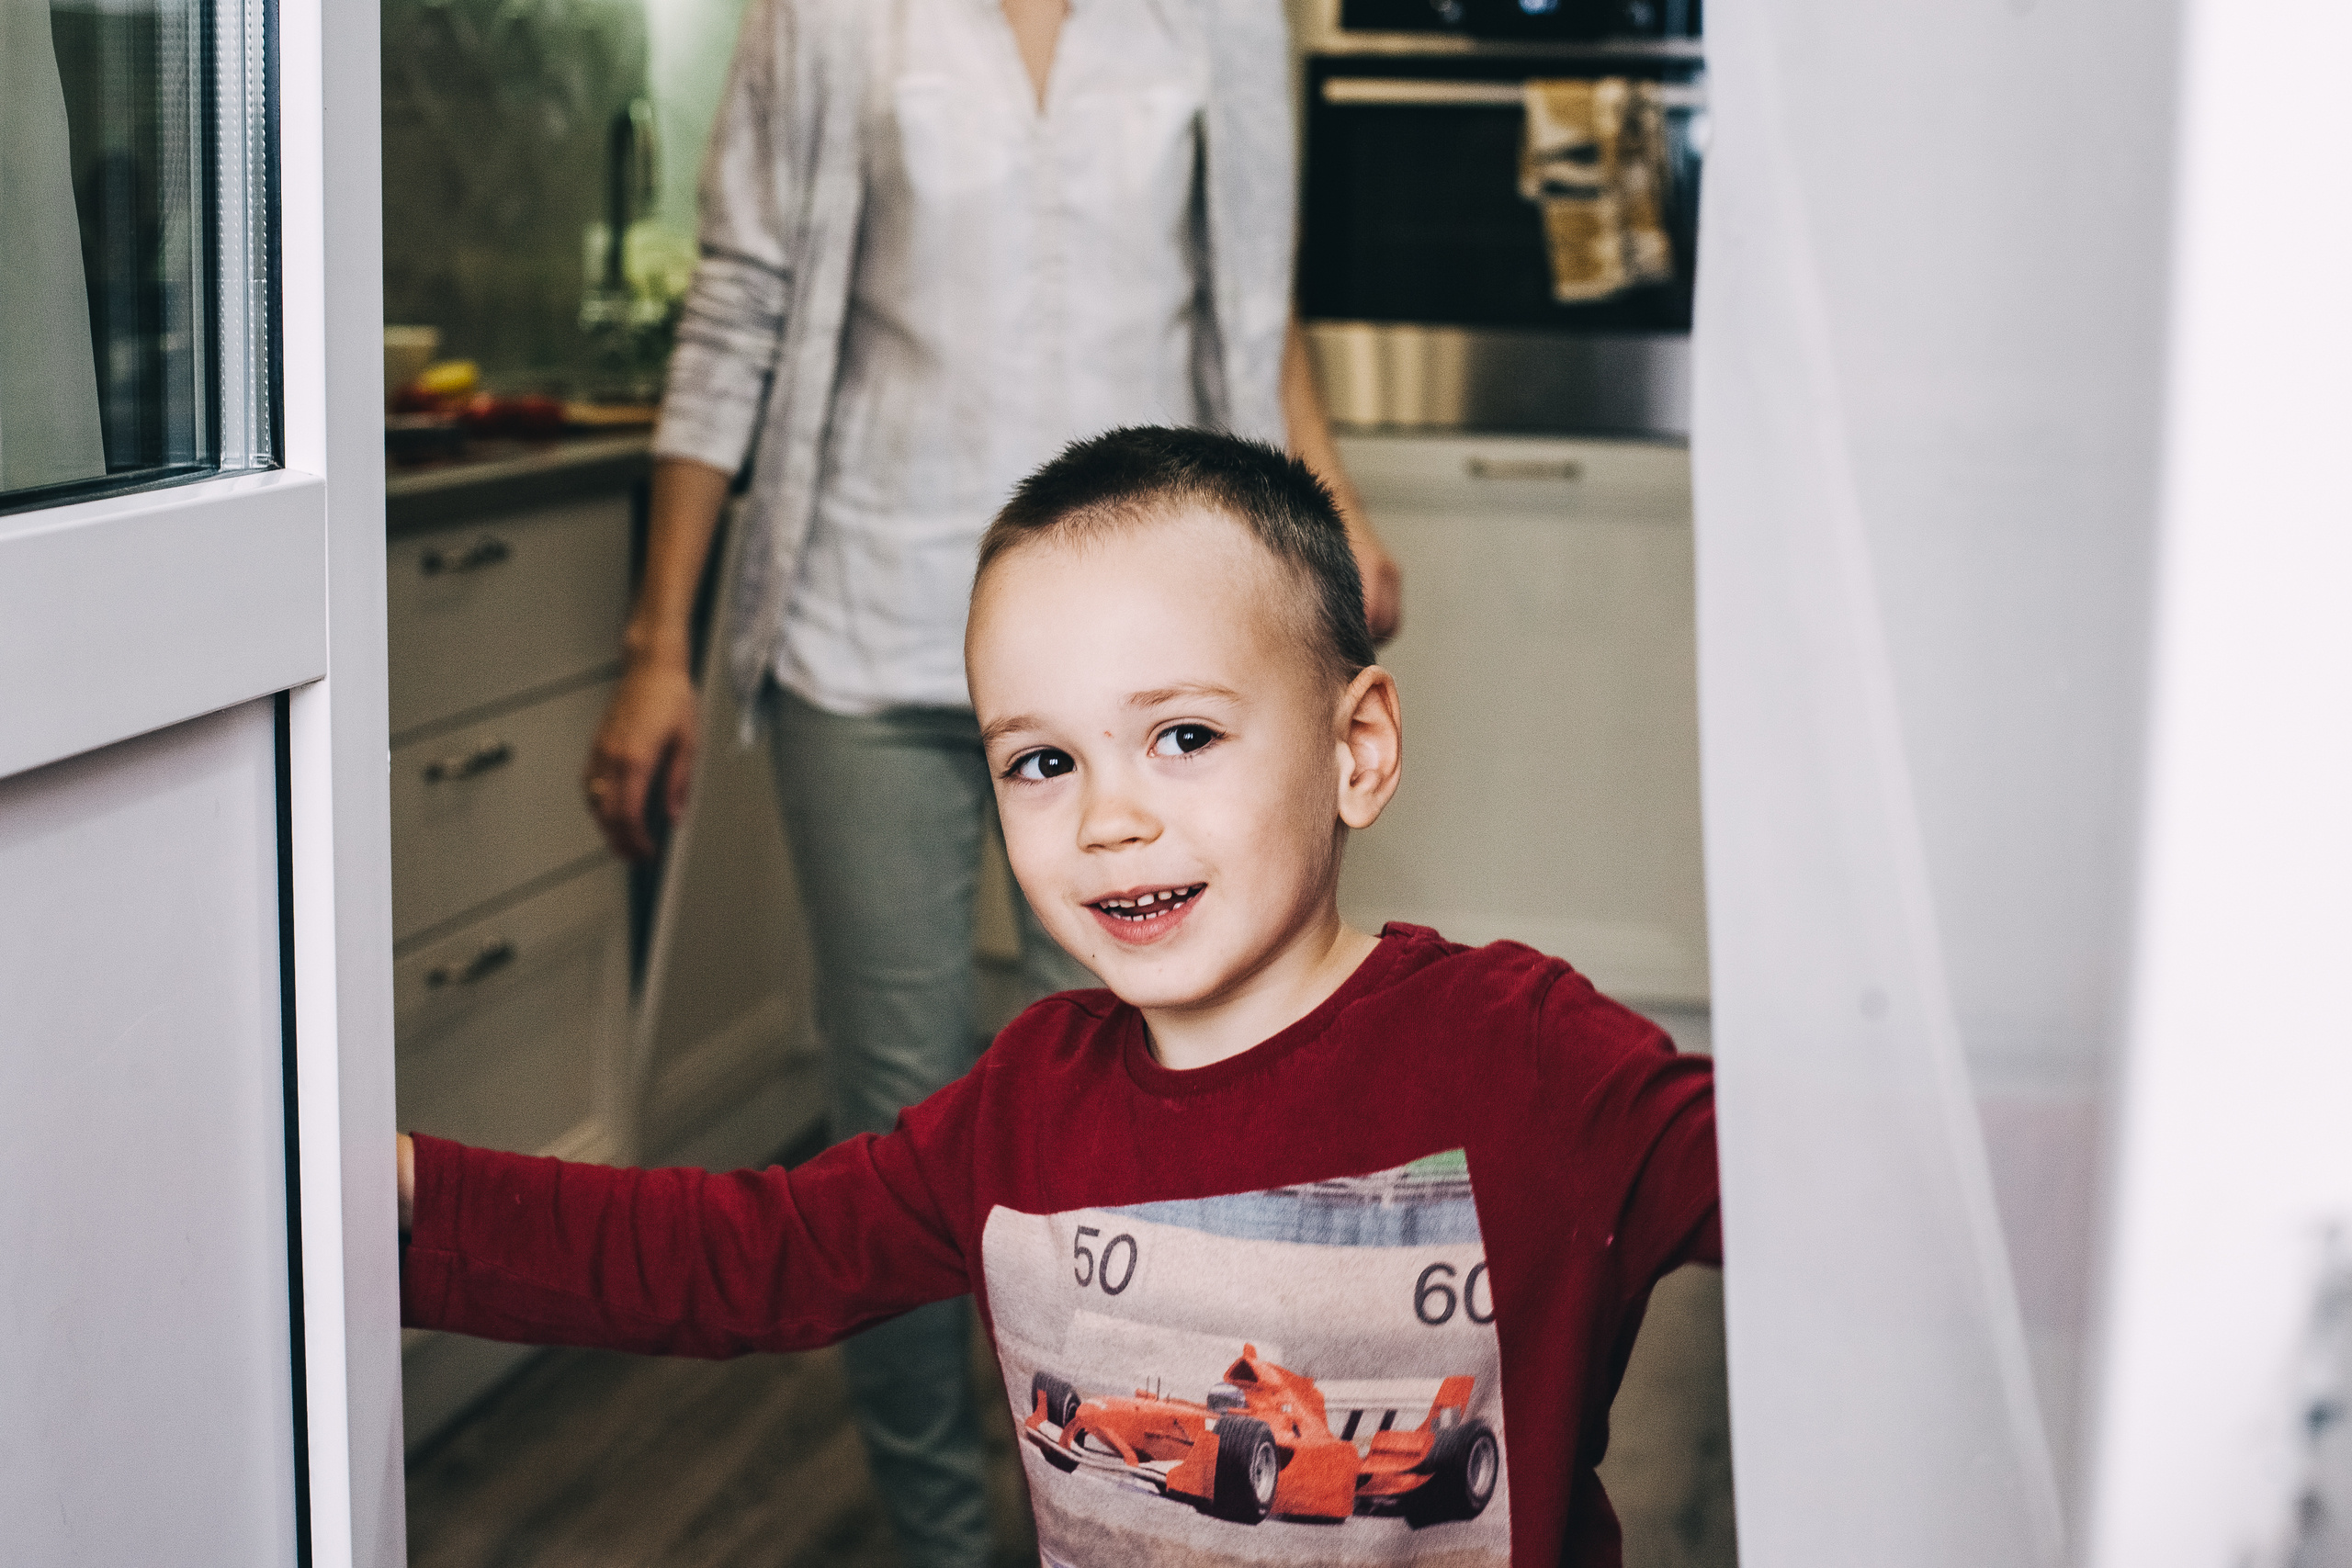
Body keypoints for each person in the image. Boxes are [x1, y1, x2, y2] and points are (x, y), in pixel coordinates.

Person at [411, 428, 1717, 1568]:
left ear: (1355, 750)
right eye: (1042, 762)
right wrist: (402, 1192)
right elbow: (743, 1259)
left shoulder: (1525, 1059)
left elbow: (1811, 1182)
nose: (1108, 819)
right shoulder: (1023, 1106)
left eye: (1184, 736)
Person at [583, 6, 1398, 1561]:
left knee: (1153, 1123)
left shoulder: (1220, 17)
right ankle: (943, 1541)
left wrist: (1333, 512)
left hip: (1153, 652)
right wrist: (656, 644)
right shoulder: (825, 17)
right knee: (895, 1125)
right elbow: (738, 310)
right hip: (866, 626)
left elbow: (1251, 298)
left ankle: (1136, 1527)